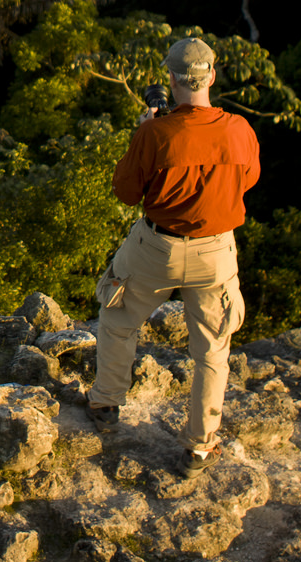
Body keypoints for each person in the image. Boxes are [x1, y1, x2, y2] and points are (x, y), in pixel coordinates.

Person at [86, 36, 259, 472]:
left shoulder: (155, 132)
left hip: (156, 248)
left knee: (119, 318)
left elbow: (125, 192)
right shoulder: (240, 130)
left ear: (171, 79)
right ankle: (200, 445)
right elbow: (248, 180)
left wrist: (146, 131)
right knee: (213, 350)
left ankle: (105, 405)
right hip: (216, 252)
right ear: (212, 78)